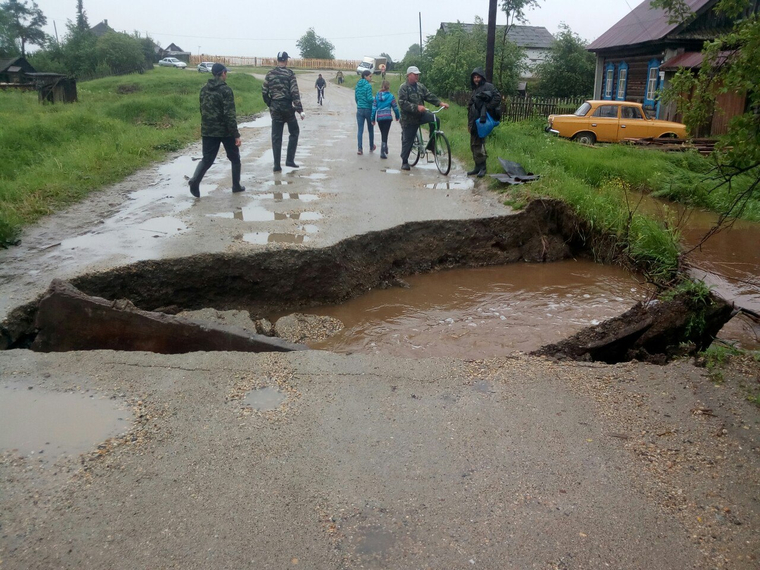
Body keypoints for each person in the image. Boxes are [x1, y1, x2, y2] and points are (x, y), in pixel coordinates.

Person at [188, 63, 244, 197]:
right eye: (226, 73)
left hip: (208, 130)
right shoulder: (226, 90)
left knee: (207, 159)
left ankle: (195, 181)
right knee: (235, 158)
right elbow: (229, 115)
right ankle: (236, 186)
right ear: (223, 73)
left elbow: (202, 109)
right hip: (225, 131)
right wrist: (236, 134)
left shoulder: (204, 89)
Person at [397, 65, 449, 171]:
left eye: (418, 75)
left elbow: (429, 95)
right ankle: (405, 161)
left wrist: (440, 103)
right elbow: (402, 103)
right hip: (409, 118)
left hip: (421, 115)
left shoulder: (420, 86)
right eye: (415, 74)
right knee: (408, 139)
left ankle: (431, 143)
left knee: (435, 119)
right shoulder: (404, 88)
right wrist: (417, 107)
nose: (417, 76)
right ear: (409, 75)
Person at [262, 51, 304, 172]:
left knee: (276, 136)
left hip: (275, 106)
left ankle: (276, 164)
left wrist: (270, 103)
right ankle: (289, 160)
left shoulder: (270, 74)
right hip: (287, 107)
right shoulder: (290, 74)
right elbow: (294, 92)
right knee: (294, 132)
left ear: (277, 60)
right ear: (286, 60)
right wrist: (299, 109)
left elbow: (264, 91)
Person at [467, 67, 502, 177]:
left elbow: (497, 97)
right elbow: (471, 105)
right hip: (474, 121)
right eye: (474, 77)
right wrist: (469, 123)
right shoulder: (475, 89)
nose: (476, 79)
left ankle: (483, 167)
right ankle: (477, 167)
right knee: (473, 145)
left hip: (482, 120)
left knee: (479, 144)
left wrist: (487, 107)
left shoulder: (488, 86)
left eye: (478, 77)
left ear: (482, 77)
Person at [371, 79, 400, 159]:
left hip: (380, 118)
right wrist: (397, 116)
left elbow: (373, 108)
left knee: (383, 133)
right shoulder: (391, 96)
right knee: (385, 133)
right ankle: (382, 151)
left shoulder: (377, 96)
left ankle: (385, 147)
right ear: (388, 87)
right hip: (387, 117)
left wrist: (372, 119)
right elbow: (395, 107)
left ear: (382, 86)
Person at [355, 69, 375, 155]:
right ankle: (371, 146)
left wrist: (360, 104)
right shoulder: (368, 86)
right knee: (370, 129)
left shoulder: (357, 86)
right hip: (368, 109)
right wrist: (375, 99)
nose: (370, 78)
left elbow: (356, 98)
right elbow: (369, 99)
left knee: (360, 130)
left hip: (359, 109)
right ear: (365, 76)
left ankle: (360, 148)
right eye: (370, 76)